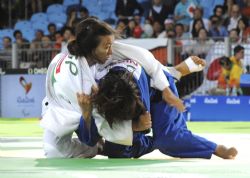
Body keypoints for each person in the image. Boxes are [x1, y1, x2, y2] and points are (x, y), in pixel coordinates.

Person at [41, 17, 187, 158]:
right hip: (62, 107)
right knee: (59, 151)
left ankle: (171, 71)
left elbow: (142, 55)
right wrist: (134, 126)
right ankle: (98, 149)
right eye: (107, 47)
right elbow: (94, 132)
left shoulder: (85, 50)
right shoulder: (85, 85)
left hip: (58, 99)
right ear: (91, 49)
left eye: (111, 45)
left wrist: (168, 81)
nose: (110, 51)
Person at [90, 57, 238, 159]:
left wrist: (137, 126)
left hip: (160, 90)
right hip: (129, 91)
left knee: (167, 141)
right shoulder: (93, 86)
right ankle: (173, 71)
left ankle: (216, 148)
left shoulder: (137, 92)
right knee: (119, 153)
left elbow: (144, 125)